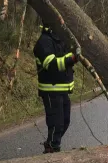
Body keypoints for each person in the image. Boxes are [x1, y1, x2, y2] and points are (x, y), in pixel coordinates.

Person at [33, 21, 77, 153]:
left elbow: (67, 56)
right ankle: (52, 149)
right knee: (56, 124)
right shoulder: (44, 42)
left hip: (62, 90)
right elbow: (51, 64)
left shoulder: (61, 40)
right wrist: (73, 59)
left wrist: (74, 55)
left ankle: (51, 144)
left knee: (65, 121)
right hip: (51, 90)